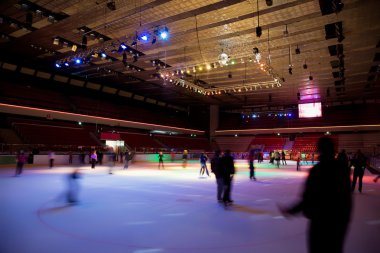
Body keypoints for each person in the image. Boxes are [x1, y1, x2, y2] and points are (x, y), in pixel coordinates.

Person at [279, 137, 352, 253]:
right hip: (338, 223)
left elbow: (307, 199)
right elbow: (347, 200)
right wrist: (344, 221)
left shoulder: (317, 171)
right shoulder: (342, 170)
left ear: (320, 150)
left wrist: (291, 211)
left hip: (320, 223)